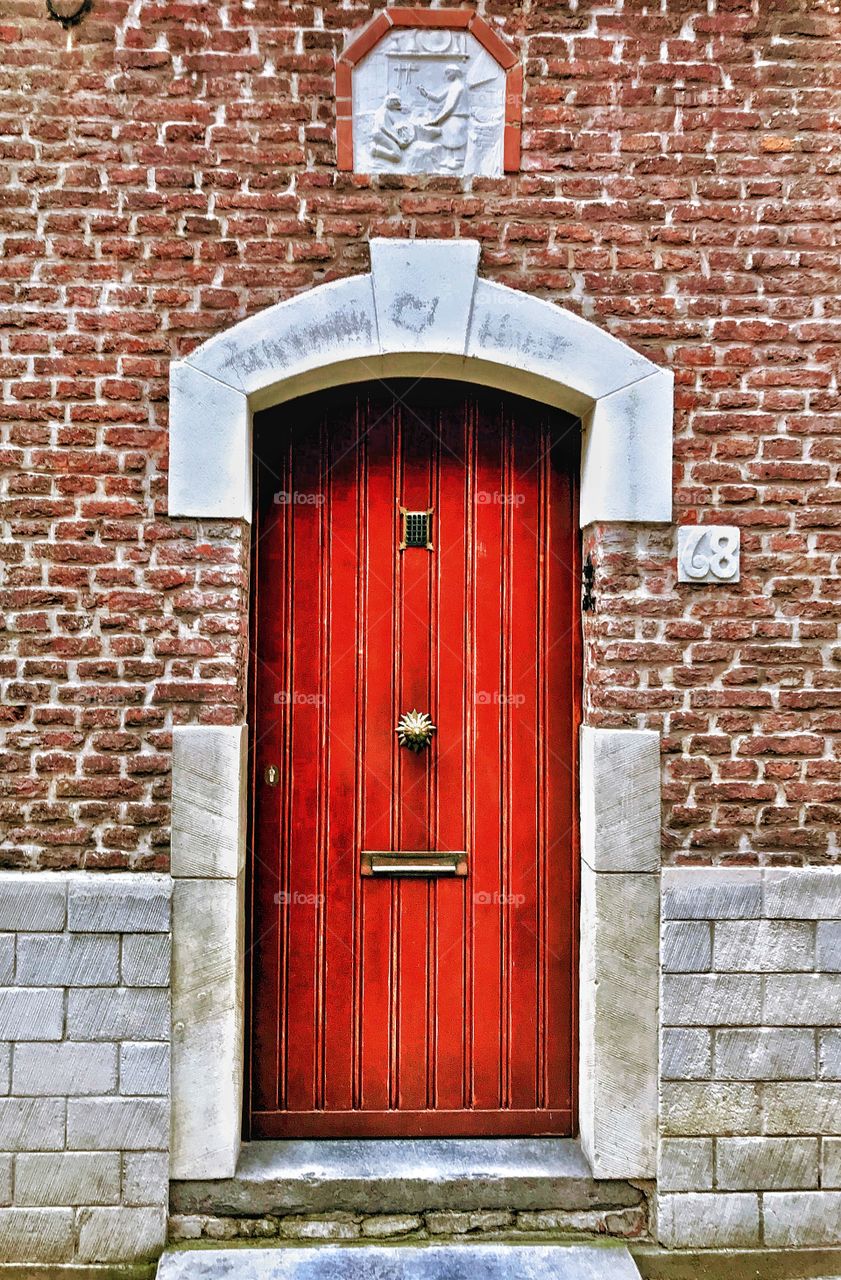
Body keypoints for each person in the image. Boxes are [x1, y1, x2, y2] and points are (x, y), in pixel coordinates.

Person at [418, 65, 469, 170]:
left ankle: (458, 160)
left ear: (455, 72)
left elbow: (450, 106)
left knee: (456, 139)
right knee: (447, 137)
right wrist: (427, 94)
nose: (446, 75)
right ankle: (448, 157)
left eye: (448, 72)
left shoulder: (458, 87)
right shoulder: (452, 86)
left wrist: (437, 120)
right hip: (450, 117)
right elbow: (438, 98)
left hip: (456, 116)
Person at [370, 95, 415, 164]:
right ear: (390, 102)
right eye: (396, 102)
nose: (398, 105)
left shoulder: (384, 110)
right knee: (397, 155)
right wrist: (397, 139)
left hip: (379, 133)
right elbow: (385, 128)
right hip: (380, 134)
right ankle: (375, 150)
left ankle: (376, 149)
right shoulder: (384, 112)